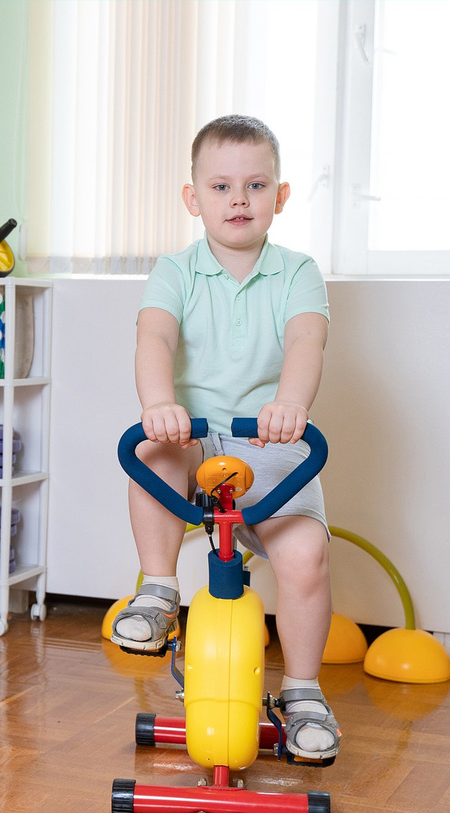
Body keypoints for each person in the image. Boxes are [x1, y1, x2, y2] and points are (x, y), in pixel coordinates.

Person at [114, 115, 341, 762]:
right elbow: (154, 337)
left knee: (304, 559)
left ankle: (301, 693)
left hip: (270, 444)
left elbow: (306, 341)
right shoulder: (175, 270)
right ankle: (159, 592)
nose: (238, 199)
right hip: (195, 437)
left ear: (281, 196)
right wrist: (160, 404)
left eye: (255, 184)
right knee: (153, 450)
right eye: (220, 186)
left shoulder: (298, 272)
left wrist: (289, 404)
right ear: (194, 198)